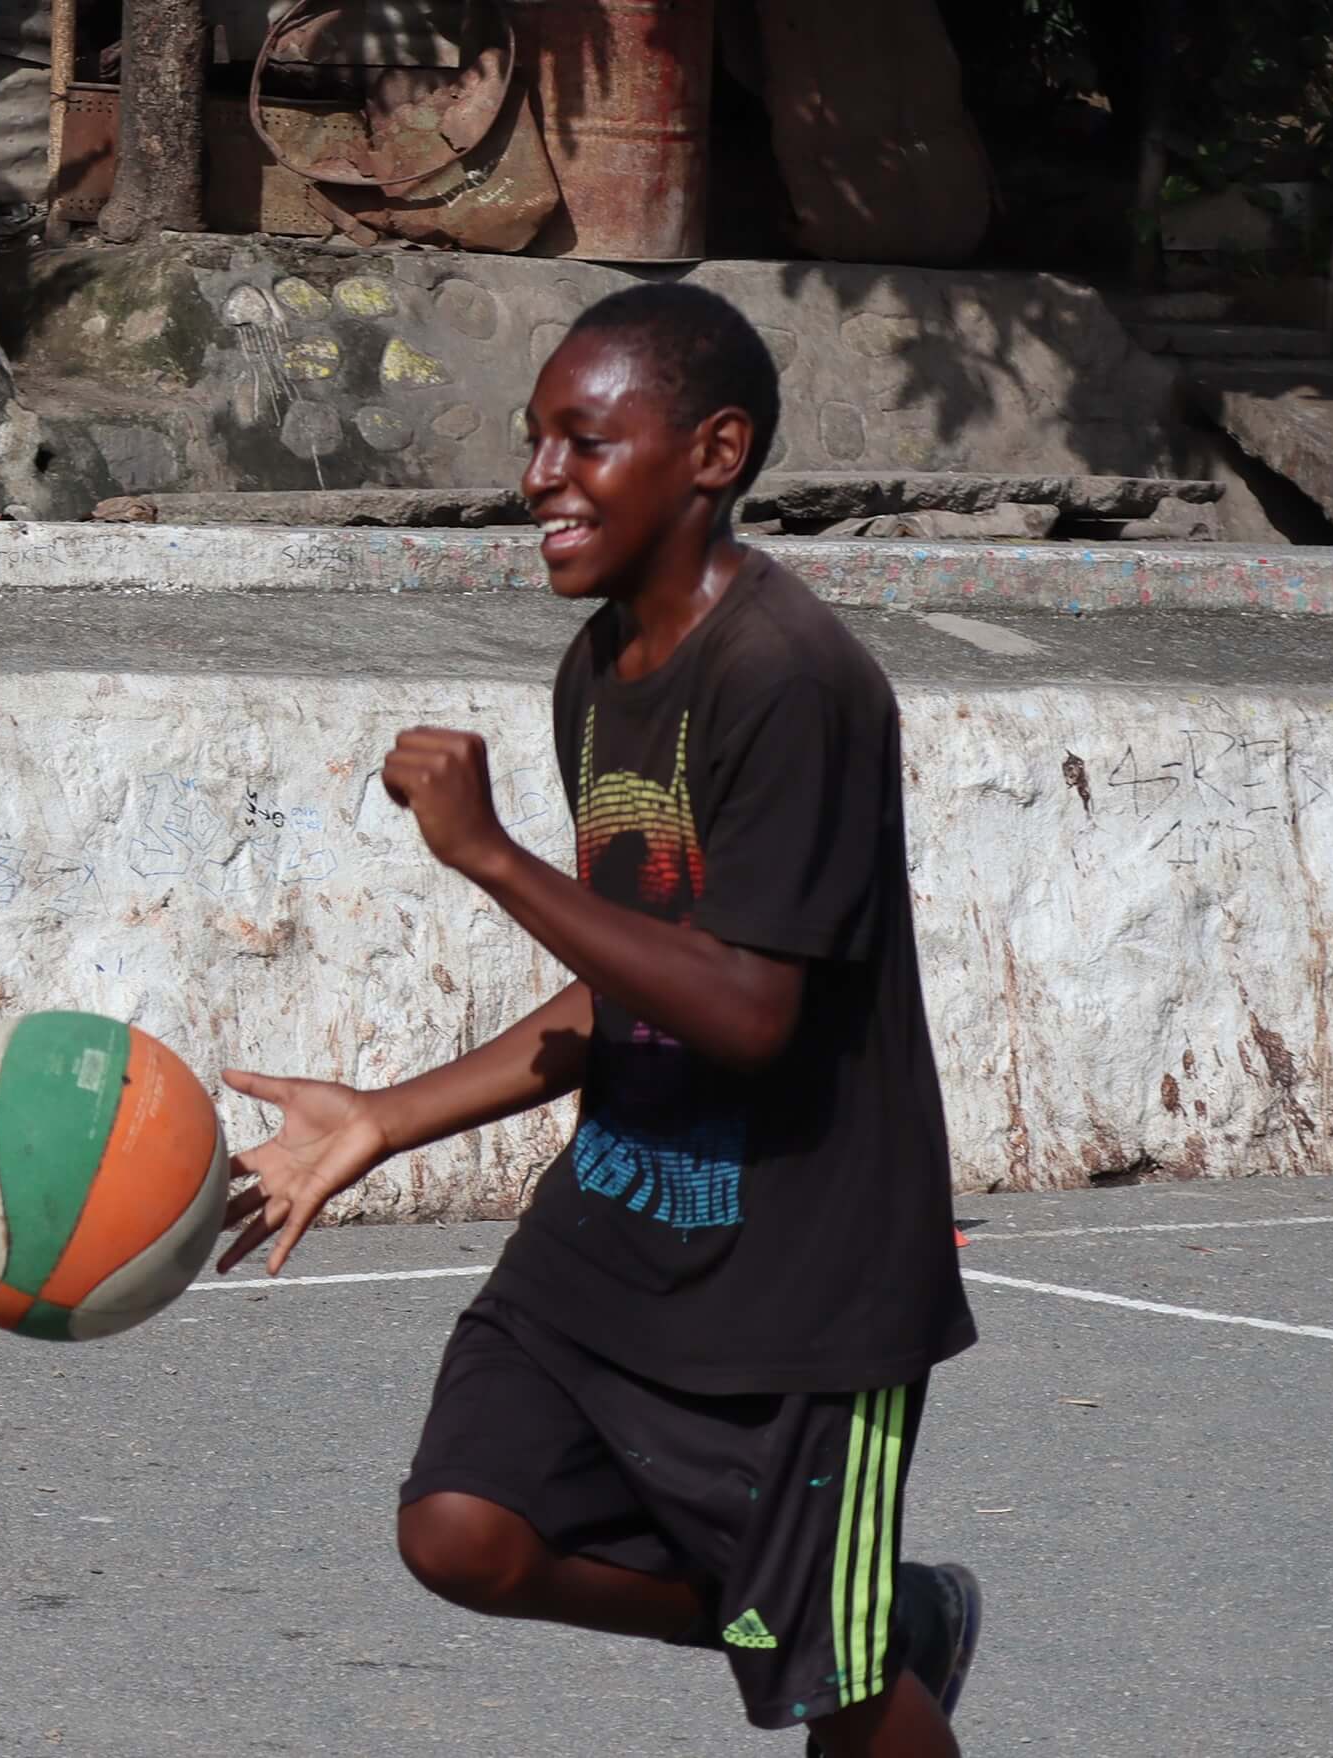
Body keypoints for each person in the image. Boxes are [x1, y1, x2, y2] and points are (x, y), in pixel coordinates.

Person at [212, 284, 984, 1756]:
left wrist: (491, 855)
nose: (540, 477)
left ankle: (861, 1636)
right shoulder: (599, 671)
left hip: (805, 1281)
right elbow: (636, 971)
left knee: (844, 1697)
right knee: (462, 1528)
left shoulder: (792, 681)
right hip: (619, 1230)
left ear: (714, 452)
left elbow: (750, 1012)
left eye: (584, 439)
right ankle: (854, 1616)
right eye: (534, 441)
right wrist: (382, 1117)